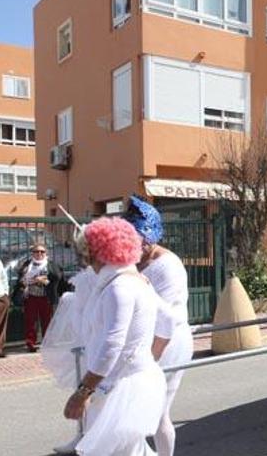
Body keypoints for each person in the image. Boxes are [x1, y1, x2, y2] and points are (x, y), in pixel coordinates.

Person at [62, 217, 169, 455]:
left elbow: (112, 345)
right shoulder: (136, 281)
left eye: (85, 253)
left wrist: (83, 392)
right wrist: (147, 358)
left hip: (121, 387)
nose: (85, 261)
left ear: (97, 253)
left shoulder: (118, 287)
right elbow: (168, 322)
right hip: (126, 382)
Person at [124, 195, 193, 456]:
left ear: (150, 237)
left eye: (137, 239)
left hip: (169, 342)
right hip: (142, 340)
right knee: (136, 409)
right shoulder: (134, 261)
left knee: (159, 411)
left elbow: (168, 318)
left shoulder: (168, 266)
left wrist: (152, 356)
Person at [13, 244, 69, 352]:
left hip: (46, 297)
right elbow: (20, 278)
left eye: (42, 252)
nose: (39, 254)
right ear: (32, 253)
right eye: (36, 252)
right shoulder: (27, 265)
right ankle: (31, 343)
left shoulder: (51, 265)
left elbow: (58, 278)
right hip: (30, 297)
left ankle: (47, 342)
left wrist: (45, 281)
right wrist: (28, 281)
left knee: (47, 321)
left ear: (46, 253)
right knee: (30, 321)